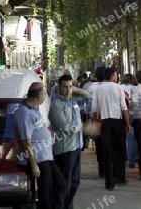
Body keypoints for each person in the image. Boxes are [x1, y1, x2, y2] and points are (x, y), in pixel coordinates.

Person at [14, 81, 67, 209]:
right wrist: (33, 165)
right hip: (38, 159)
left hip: (46, 156)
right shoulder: (24, 113)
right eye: (45, 94)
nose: (46, 97)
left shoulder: (33, 109)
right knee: (45, 193)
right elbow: (25, 141)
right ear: (39, 96)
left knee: (60, 185)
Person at [92, 67, 130, 191]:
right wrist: (128, 123)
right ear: (113, 75)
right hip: (117, 121)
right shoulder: (118, 88)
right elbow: (123, 107)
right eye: (116, 74)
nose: (117, 76)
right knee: (120, 149)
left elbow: (94, 108)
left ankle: (109, 182)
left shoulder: (98, 89)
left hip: (104, 122)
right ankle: (120, 177)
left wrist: (96, 121)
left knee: (107, 151)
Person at [49, 74, 83, 209]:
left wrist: (76, 90)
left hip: (76, 147)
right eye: (65, 87)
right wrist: (84, 127)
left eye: (70, 87)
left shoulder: (73, 102)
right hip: (65, 150)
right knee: (64, 185)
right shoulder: (56, 104)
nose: (68, 90)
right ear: (59, 87)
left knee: (74, 182)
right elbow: (67, 127)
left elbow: (90, 96)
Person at [120, 73, 138, 168]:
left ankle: (124, 157)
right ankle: (131, 160)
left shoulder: (119, 87)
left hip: (120, 115)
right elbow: (134, 102)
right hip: (131, 114)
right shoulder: (134, 88)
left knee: (122, 138)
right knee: (131, 138)